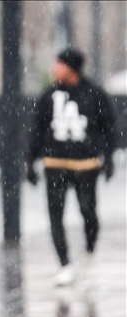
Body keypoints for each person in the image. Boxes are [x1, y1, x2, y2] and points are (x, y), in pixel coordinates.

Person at [26, 47, 117, 286]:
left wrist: (108, 157)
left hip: (85, 164)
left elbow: (109, 126)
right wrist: (30, 161)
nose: (54, 69)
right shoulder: (48, 95)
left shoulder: (94, 94)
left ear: (71, 67)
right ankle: (64, 263)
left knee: (88, 211)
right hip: (55, 163)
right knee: (55, 214)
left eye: (59, 64)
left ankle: (90, 250)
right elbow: (37, 129)